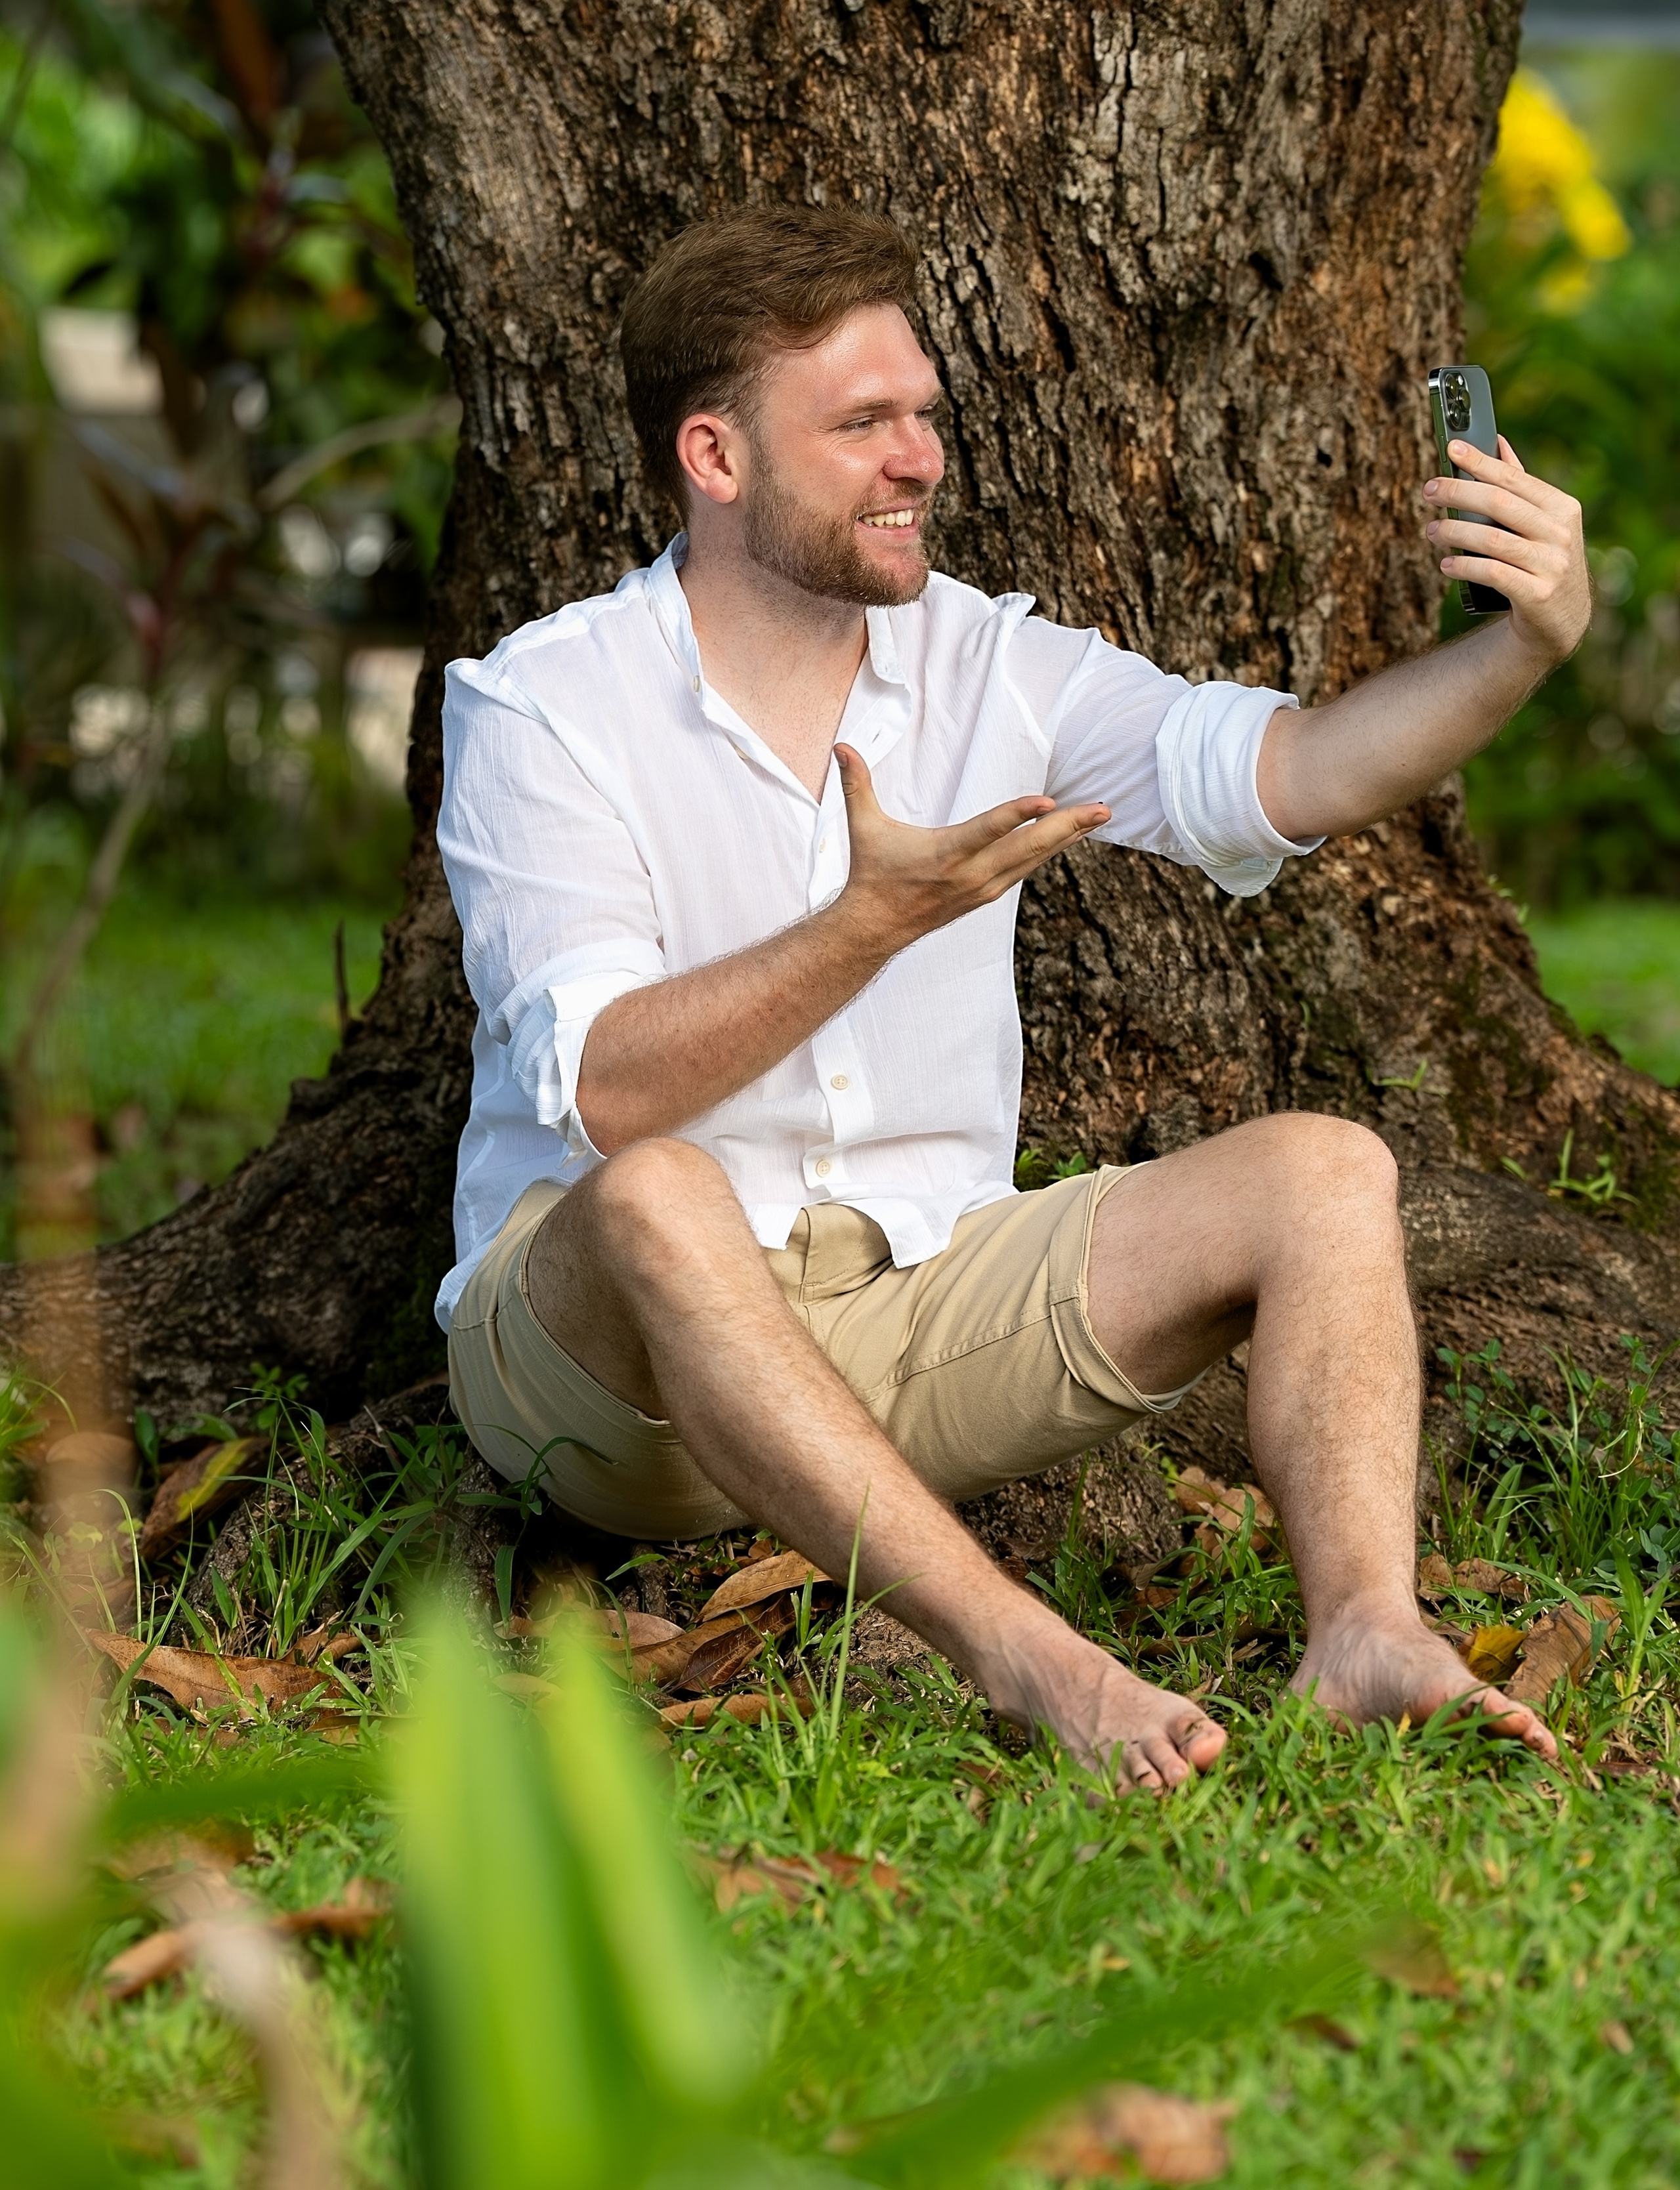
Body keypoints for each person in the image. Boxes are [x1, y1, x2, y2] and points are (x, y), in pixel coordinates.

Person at [435, 205, 1589, 1792]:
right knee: (655, 1192)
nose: (916, 458)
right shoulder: (544, 703)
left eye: (922, 414)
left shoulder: (991, 664)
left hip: (912, 1312)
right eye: (861, 424)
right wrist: (868, 924)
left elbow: (1283, 775)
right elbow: (610, 1094)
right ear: (714, 457)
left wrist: (1522, 650)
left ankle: (1367, 1632)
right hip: (607, 1375)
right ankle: (1032, 1661)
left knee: (1326, 1171)